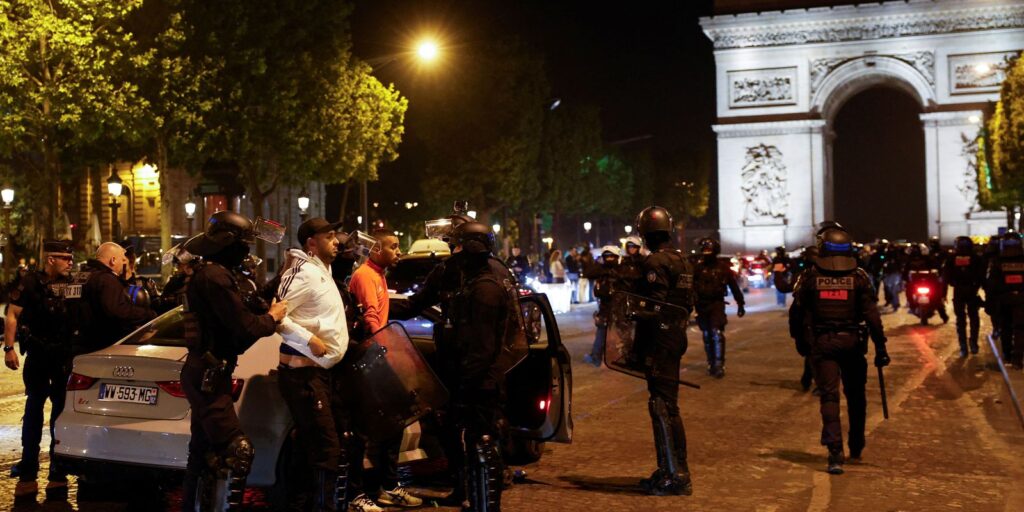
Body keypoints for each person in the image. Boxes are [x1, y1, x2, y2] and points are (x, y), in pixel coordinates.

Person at [179, 211, 289, 511]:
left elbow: (247, 305)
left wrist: (284, 276)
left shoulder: (213, 273)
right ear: (228, 244)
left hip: (207, 372)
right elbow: (246, 328)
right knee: (237, 451)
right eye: (243, 243)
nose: (247, 249)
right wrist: (273, 318)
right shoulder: (214, 277)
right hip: (209, 374)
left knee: (201, 453)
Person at [789, 226, 888, 474]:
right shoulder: (860, 277)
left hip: (823, 344)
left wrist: (800, 342)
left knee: (829, 397)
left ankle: (835, 452)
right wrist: (881, 347)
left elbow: (797, 313)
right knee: (856, 396)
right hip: (854, 343)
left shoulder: (810, 277)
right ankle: (856, 443)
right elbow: (872, 316)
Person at [438, 221, 519, 510]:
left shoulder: (485, 290)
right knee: (475, 444)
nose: (454, 253)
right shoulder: (475, 284)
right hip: (477, 379)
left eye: (459, 246)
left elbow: (482, 349)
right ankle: (477, 501)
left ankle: (487, 505)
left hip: (481, 382)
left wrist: (466, 388)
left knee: (483, 446)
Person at [347, 229, 421, 509]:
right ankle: (374, 488)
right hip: (372, 360)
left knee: (392, 425)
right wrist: (385, 356)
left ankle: (385, 485)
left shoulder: (377, 275)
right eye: (393, 246)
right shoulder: (366, 276)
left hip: (378, 356)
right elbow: (372, 319)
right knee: (376, 429)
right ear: (376, 249)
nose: (398, 251)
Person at [4, 240, 76, 499]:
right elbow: (12, 314)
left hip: (63, 356)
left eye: (70, 258)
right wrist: (9, 348)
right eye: (64, 258)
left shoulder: (73, 282)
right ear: (50, 259)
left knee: (60, 412)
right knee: (34, 409)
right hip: (38, 353)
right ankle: (28, 472)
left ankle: (58, 472)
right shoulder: (30, 282)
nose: (70, 262)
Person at [631, 206, 695, 496]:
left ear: (646, 233)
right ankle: (668, 468)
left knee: (663, 406)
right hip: (676, 337)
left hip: (659, 340)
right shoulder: (682, 261)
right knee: (664, 405)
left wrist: (636, 312)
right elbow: (686, 303)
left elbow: (657, 306)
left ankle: (677, 474)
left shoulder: (655, 262)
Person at [76, 242, 157, 354]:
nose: (124, 264)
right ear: (113, 260)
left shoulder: (79, 277)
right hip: (102, 346)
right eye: (123, 260)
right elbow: (118, 311)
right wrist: (148, 315)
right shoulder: (107, 280)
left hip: (79, 345)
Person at [693, 237, 744, 378]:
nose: (707, 252)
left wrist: (740, 303)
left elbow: (733, 286)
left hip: (717, 304)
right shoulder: (697, 268)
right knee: (706, 334)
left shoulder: (723, 268)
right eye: (705, 249)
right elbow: (690, 287)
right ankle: (711, 362)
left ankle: (719, 364)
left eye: (709, 249)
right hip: (701, 305)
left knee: (717, 333)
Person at [944, 236, 985, 357]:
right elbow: (982, 276)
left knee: (961, 320)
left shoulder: (952, 258)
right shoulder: (976, 258)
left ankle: (964, 347)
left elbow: (946, 276)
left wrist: (944, 292)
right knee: (973, 318)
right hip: (972, 291)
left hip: (959, 292)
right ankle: (973, 343)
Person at [988, 232, 1024, 369]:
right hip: (1020, 299)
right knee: (1020, 328)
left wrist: (991, 302)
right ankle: (1017, 358)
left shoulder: (998, 262)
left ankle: (1008, 355)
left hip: (1004, 299)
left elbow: (991, 284)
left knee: (1006, 328)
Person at [582, 246, 621, 367]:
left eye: (611, 256)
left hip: (620, 306)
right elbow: (588, 273)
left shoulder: (621, 270)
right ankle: (596, 356)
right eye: (606, 256)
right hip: (605, 306)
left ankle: (609, 356)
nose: (609, 258)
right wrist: (601, 265)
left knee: (620, 333)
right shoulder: (601, 269)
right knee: (602, 330)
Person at [903, 242, 949, 323]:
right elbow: (905, 272)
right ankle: (912, 306)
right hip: (915, 283)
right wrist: (905, 279)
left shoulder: (929, 259)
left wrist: (938, 274)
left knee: (937, 297)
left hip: (929, 281)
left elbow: (937, 267)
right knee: (909, 292)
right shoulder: (909, 260)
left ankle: (943, 315)